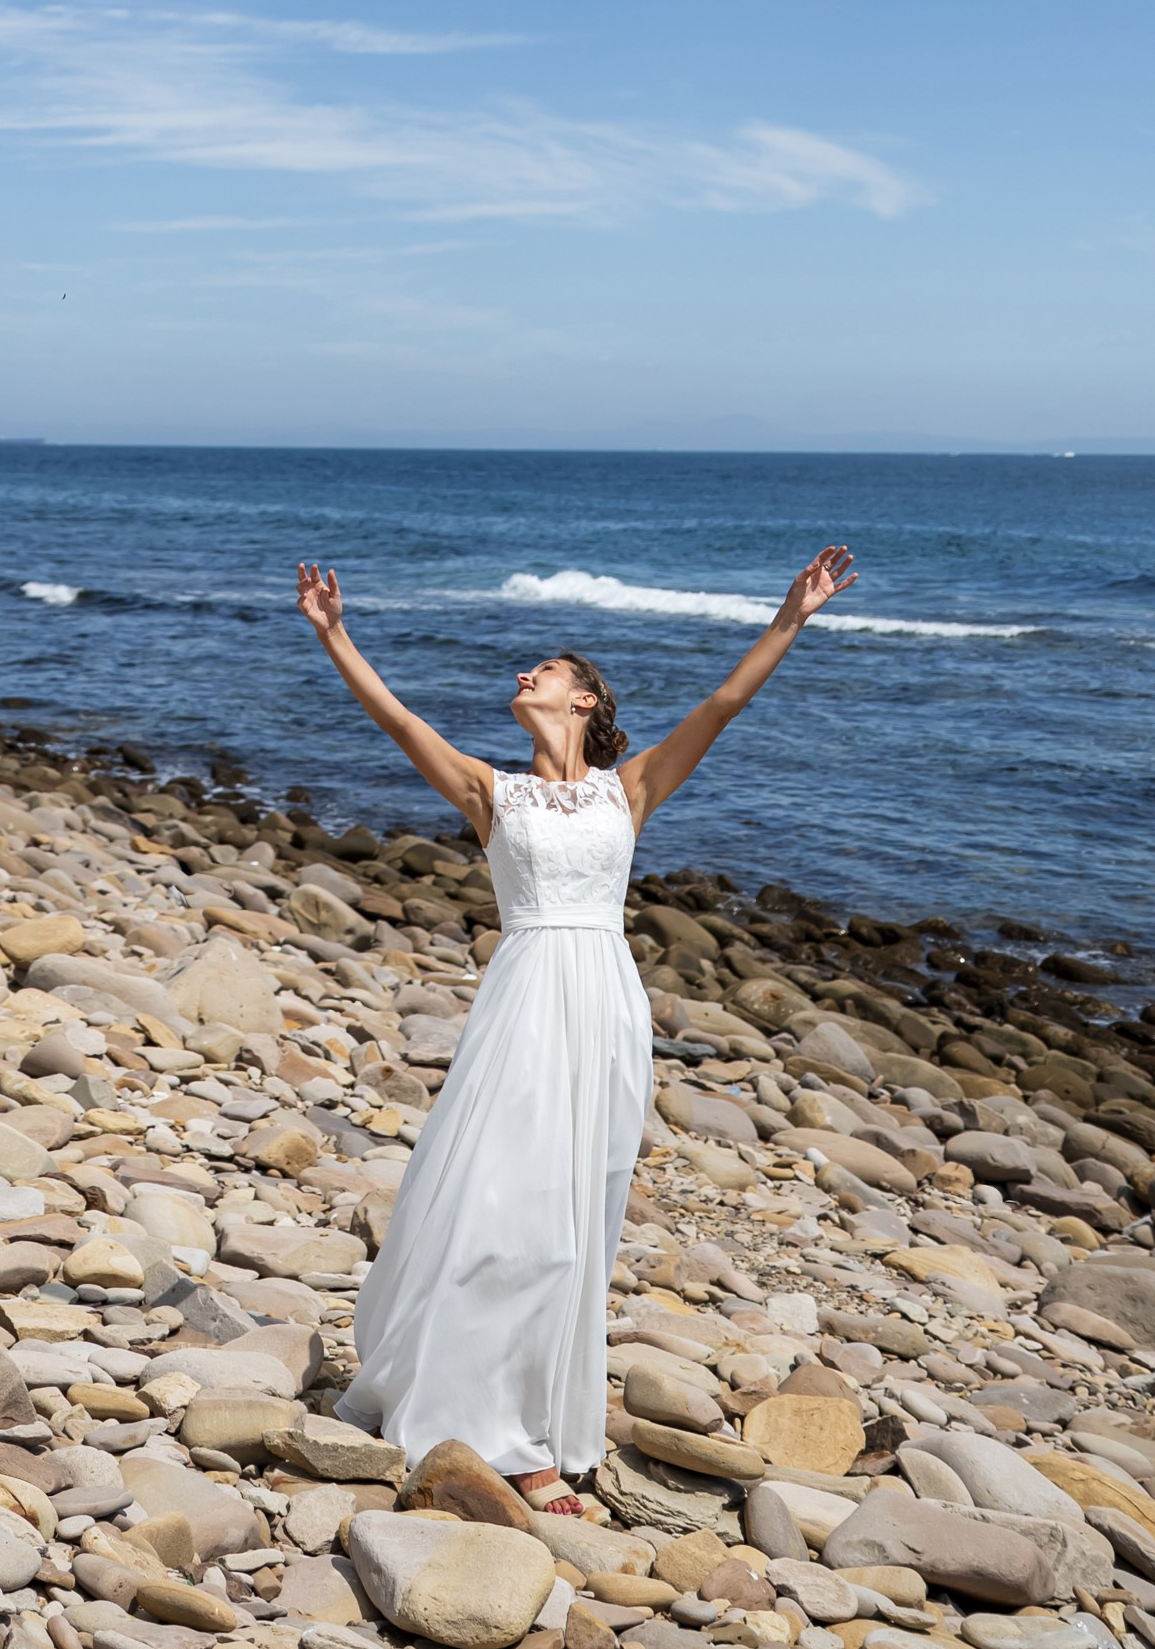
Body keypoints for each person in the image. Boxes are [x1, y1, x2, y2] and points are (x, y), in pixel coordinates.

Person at [294, 543, 855, 1514]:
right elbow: (395, 718)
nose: (523, 675)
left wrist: (789, 616)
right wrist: (335, 635)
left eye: (543, 670)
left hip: (602, 999)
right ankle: (469, 1410)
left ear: (583, 699)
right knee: (495, 1204)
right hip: (523, 997)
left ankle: (533, 1428)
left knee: (570, 1223)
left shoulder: (626, 788)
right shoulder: (488, 789)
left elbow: (719, 705)